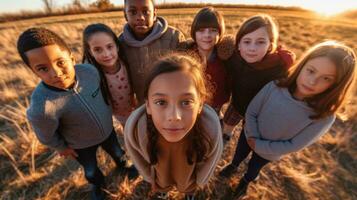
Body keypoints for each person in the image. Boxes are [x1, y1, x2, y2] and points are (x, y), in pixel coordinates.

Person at [221, 41, 356, 198]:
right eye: (311, 71)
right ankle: (234, 165)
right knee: (239, 153)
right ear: (302, 66)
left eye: (326, 78)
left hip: (270, 153)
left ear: (337, 85)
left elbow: (294, 145)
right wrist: (251, 135)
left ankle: (245, 182)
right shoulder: (275, 86)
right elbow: (252, 111)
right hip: (248, 134)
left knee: (254, 168)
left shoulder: (324, 117)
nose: (312, 81)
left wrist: (260, 145)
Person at [17, 27, 135, 200]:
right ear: (33, 71)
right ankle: (97, 183)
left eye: (60, 62)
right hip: (80, 145)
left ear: (71, 57)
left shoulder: (90, 72)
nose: (56, 73)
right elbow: (45, 134)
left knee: (117, 151)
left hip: (107, 130)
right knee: (90, 168)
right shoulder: (41, 107)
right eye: (42, 68)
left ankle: (123, 164)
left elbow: (102, 93)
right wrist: (61, 147)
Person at [124, 53, 223, 200]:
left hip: (188, 177)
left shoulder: (209, 132)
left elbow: (209, 161)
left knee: (188, 187)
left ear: (200, 104)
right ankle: (163, 192)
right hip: (160, 176)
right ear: (148, 105)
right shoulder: (138, 131)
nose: (174, 116)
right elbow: (137, 157)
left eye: (186, 102)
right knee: (162, 184)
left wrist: (200, 181)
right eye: (161, 102)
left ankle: (189, 194)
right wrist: (148, 177)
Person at [221, 14, 296, 143]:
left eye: (260, 42)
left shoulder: (278, 67)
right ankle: (226, 136)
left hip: (259, 113)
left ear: (270, 45)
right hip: (237, 104)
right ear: (238, 44)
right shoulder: (234, 59)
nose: (252, 48)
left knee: (248, 134)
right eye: (247, 41)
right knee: (228, 123)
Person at [119, 0, 185, 104]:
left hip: (172, 105)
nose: (140, 17)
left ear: (154, 13)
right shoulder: (120, 44)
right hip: (141, 105)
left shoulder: (174, 37)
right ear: (125, 15)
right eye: (133, 12)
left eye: (146, 12)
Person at [82, 23, 135, 125]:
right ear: (90, 52)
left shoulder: (126, 62)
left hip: (135, 106)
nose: (106, 54)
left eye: (110, 47)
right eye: (97, 50)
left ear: (117, 46)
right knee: (128, 130)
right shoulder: (91, 73)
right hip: (117, 113)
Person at [182, 7, 230, 115]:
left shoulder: (225, 59)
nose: (207, 35)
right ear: (194, 33)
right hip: (189, 110)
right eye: (201, 30)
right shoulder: (185, 57)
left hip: (215, 110)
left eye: (213, 30)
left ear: (220, 33)